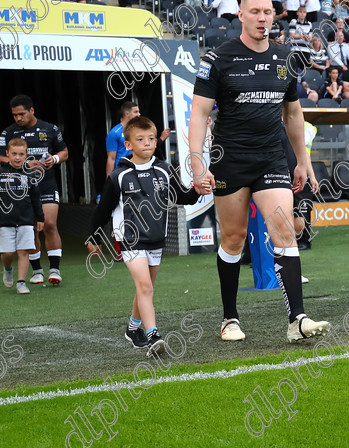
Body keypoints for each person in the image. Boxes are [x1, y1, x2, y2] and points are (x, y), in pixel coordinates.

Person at [189, 0, 330, 342]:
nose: (262, 18)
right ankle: (229, 318)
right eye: (255, 12)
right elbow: (199, 113)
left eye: (267, 12)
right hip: (229, 162)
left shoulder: (285, 58)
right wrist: (196, 165)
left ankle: (297, 319)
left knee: (284, 230)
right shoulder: (217, 58)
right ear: (241, 15)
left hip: (271, 158)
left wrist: (302, 161)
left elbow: (293, 113)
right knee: (234, 238)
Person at [88, 116, 203, 355]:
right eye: (140, 139)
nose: (148, 143)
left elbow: (182, 197)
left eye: (151, 138)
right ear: (128, 145)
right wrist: (94, 237)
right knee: (144, 286)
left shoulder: (163, 168)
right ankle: (154, 337)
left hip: (155, 238)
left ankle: (133, 329)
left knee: (146, 287)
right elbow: (102, 211)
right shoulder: (118, 176)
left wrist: (197, 190)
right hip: (129, 239)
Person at [0, 95, 69, 285]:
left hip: (47, 184)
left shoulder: (50, 129)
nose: (18, 118)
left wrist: (53, 159)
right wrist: (25, 163)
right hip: (21, 189)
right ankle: (37, 270)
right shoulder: (8, 133)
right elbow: (1, 158)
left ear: (31, 110)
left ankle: (54, 269)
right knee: (32, 229)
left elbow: (64, 152)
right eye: (14, 115)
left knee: (49, 225)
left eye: (21, 114)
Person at [0, 138, 44, 295]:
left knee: (23, 251)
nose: (17, 157)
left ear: (26, 155)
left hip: (26, 220)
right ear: (7, 154)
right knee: (7, 254)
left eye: (21, 154)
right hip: (4, 221)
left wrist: (40, 218)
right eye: (14, 154)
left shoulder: (31, 175)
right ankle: (7, 268)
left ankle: (21, 283)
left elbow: (36, 199)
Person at [106, 101, 140, 176]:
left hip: (137, 170)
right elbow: (111, 158)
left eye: (138, 112)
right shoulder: (114, 133)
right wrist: (109, 181)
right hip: (122, 172)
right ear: (127, 113)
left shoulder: (138, 130)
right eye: (136, 112)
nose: (139, 114)